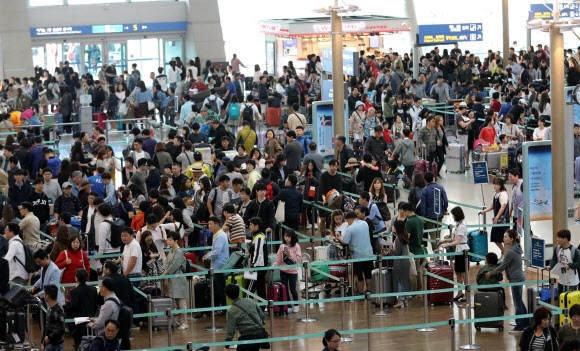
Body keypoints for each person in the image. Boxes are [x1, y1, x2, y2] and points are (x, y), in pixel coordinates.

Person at [485, 229, 529, 333]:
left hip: (516, 279)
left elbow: (503, 266)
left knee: (517, 303)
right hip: (519, 277)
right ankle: (524, 321)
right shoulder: (516, 247)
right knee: (519, 301)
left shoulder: (510, 252)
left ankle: (520, 326)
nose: (503, 238)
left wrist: (490, 273)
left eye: (505, 237)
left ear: (512, 239)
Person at [336, 211, 373, 295]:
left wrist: (340, 237)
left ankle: (360, 292)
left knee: (359, 275)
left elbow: (345, 241)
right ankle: (369, 290)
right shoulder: (365, 223)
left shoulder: (350, 228)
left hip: (358, 256)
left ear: (349, 220)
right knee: (368, 274)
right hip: (368, 253)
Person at [438, 206, 470, 301]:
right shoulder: (457, 225)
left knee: (464, 273)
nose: (452, 217)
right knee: (458, 272)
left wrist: (446, 244)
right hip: (458, 251)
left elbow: (457, 241)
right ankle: (460, 292)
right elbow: (454, 239)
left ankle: (467, 293)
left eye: (453, 215)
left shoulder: (461, 226)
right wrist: (444, 240)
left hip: (463, 250)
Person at [223, 283, 268, 351]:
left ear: (227, 296)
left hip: (247, 337)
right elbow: (262, 316)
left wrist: (226, 346)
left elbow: (230, 331)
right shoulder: (250, 300)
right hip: (260, 334)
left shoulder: (231, 311)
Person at [64, 268, 98, 350]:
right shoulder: (93, 289)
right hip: (91, 320)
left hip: (79, 323)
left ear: (77, 278)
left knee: (80, 344)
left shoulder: (74, 291)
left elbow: (73, 306)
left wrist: (64, 307)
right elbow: (96, 303)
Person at [162, 230, 189, 330]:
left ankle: (185, 322)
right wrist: (165, 271)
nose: (168, 242)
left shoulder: (179, 251)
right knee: (176, 302)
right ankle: (180, 320)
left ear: (176, 241)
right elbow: (167, 263)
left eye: (170, 240)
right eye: (167, 240)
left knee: (182, 302)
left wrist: (165, 272)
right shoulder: (171, 251)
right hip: (173, 279)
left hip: (179, 278)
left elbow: (175, 265)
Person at [272, 229, 302, 313]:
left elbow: (298, 259)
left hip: (293, 272)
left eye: (288, 237)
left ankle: (296, 305)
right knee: (284, 289)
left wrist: (290, 254)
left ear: (292, 237)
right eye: (285, 236)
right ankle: (288, 306)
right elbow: (278, 257)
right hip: (283, 271)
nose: (287, 239)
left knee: (293, 289)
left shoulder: (297, 246)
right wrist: (275, 264)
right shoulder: (282, 246)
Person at [202, 216, 229, 307]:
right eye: (208, 224)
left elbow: (217, 252)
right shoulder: (218, 235)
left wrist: (207, 257)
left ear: (217, 225)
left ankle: (224, 306)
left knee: (221, 288)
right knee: (218, 287)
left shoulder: (220, 236)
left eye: (211, 224)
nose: (209, 226)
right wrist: (208, 254)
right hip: (217, 265)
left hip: (219, 266)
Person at [480, 177, 510, 256]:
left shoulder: (503, 194)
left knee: (504, 239)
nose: (494, 186)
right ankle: (504, 253)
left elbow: (503, 207)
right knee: (496, 238)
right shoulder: (497, 194)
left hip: (502, 221)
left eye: (495, 184)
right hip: (498, 220)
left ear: (500, 185)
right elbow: (493, 205)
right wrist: (484, 211)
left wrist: (496, 217)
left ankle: (505, 254)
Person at [420, 171, 448, 251]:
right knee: (438, 234)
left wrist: (424, 216)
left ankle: (435, 253)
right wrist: (444, 209)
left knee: (432, 235)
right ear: (433, 178)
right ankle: (438, 251)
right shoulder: (441, 188)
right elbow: (445, 201)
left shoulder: (425, 191)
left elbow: (423, 205)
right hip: (439, 215)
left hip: (429, 216)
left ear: (425, 180)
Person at [390, 220, 411, 308]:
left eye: (393, 226)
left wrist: (390, 251)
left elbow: (397, 252)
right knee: (404, 280)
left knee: (398, 280)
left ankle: (400, 299)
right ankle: (405, 299)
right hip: (405, 262)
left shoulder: (398, 239)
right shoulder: (404, 237)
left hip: (399, 263)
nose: (392, 227)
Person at [246, 217, 267, 302]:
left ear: (256, 226)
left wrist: (252, 266)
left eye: (251, 225)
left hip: (257, 267)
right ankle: (261, 308)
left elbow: (257, 253)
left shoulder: (259, 237)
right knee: (260, 288)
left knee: (248, 290)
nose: (249, 226)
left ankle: (247, 308)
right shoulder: (257, 236)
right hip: (260, 266)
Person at [41, 284, 65, 351]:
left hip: (56, 345)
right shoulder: (49, 308)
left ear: (47, 296)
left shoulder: (58, 310)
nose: (44, 296)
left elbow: (61, 329)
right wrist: (43, 342)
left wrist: (49, 337)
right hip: (49, 344)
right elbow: (47, 326)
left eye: (44, 294)